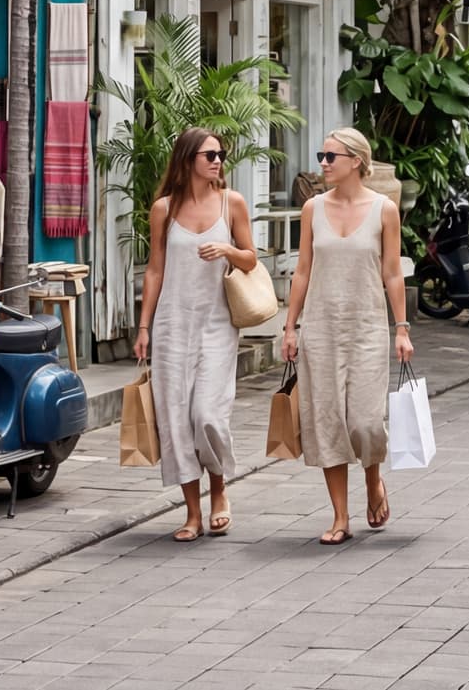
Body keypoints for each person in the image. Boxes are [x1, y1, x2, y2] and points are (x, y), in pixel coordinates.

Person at [281, 127, 412, 545]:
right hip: (319, 328)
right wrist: (290, 325)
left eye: (330, 156)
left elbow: (392, 272)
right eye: (322, 155)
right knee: (326, 422)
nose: (322, 162)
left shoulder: (384, 209)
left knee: (366, 422)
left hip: (368, 327)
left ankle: (373, 480)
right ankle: (340, 516)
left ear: (356, 161)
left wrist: (402, 328)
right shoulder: (312, 209)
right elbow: (302, 270)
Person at [133, 128, 258, 542]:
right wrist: (144, 327)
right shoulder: (164, 209)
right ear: (188, 160)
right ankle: (191, 513)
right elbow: (154, 270)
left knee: (207, 413)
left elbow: (251, 259)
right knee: (175, 420)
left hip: (218, 323)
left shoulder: (232, 203)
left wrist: (226, 251)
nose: (218, 160)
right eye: (209, 155)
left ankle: (219, 491)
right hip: (172, 323)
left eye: (221, 154)